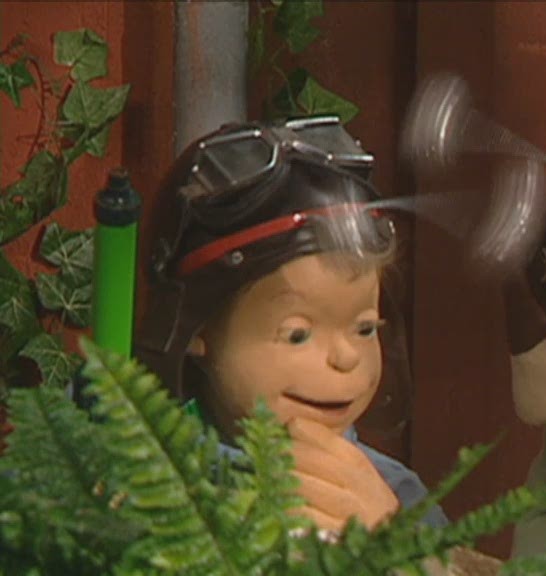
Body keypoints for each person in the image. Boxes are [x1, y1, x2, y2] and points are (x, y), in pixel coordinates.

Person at [136, 116, 446, 530]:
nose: (346, 357)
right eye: (298, 335)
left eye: (365, 328)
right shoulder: (126, 472)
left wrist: (394, 542)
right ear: (194, 328)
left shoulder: (392, 494)